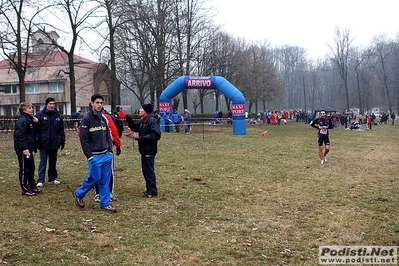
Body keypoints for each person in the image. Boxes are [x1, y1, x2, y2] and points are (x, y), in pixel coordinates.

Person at [73, 94, 116, 213]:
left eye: (101, 103)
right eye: (97, 102)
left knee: (105, 180)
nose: (99, 105)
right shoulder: (87, 119)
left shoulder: (103, 118)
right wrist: (89, 156)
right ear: (92, 103)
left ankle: (105, 204)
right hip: (94, 156)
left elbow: (107, 135)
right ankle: (78, 193)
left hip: (106, 155)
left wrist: (109, 151)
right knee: (95, 178)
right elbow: (83, 139)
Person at [126, 103, 161, 198]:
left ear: (145, 110)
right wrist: (130, 122)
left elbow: (156, 135)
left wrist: (142, 138)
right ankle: (149, 189)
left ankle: (152, 191)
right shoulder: (143, 120)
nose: (139, 110)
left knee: (149, 171)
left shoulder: (151, 120)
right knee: (146, 171)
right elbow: (135, 127)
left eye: (141, 109)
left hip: (149, 150)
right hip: (144, 150)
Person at [35, 97, 66, 187]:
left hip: (54, 143)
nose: (52, 105)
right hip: (43, 143)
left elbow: (61, 130)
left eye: (53, 104)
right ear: (46, 104)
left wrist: (62, 140)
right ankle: (40, 180)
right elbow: (37, 130)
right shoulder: (40, 115)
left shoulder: (58, 116)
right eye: (50, 104)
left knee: (53, 162)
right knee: (43, 162)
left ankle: (52, 178)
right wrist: (37, 141)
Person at [93, 108, 122, 202]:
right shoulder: (107, 118)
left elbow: (81, 133)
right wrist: (118, 145)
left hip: (95, 150)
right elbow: (114, 132)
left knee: (97, 171)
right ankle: (108, 193)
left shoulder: (88, 118)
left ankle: (98, 193)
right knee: (108, 171)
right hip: (106, 149)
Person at [14, 102, 41, 196]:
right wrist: (24, 148)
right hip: (23, 149)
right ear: (24, 110)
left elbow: (34, 132)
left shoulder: (30, 120)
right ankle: (25, 189)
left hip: (29, 148)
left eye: (31, 107)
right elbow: (19, 136)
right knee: (24, 168)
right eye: (29, 108)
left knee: (31, 167)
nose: (32, 109)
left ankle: (32, 186)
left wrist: (36, 123)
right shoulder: (22, 121)